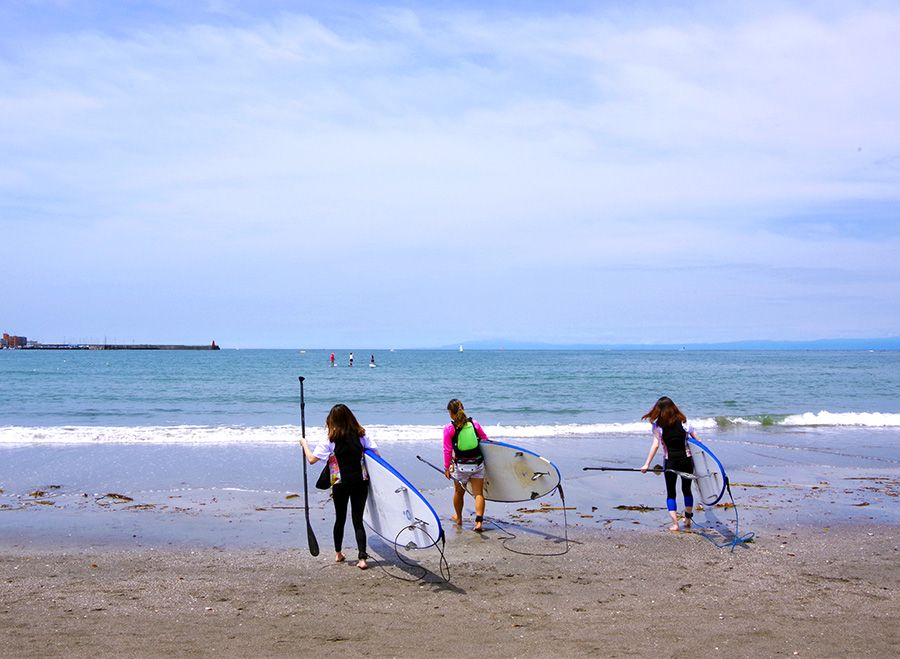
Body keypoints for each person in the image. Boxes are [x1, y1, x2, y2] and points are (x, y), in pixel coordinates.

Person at [299, 403, 376, 569]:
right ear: (351, 418)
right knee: (358, 520)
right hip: (360, 482)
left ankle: (338, 554)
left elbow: (312, 460)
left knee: (340, 518)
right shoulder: (362, 435)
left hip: (340, 484)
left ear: (332, 421)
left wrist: (304, 444)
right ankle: (362, 559)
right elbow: (376, 455)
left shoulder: (330, 439)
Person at [640, 396, 699, 532]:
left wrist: (646, 464)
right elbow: (698, 442)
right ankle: (688, 520)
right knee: (687, 489)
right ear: (673, 407)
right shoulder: (684, 422)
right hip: (686, 461)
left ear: (658, 410)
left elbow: (655, 446)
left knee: (671, 493)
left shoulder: (658, 427)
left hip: (670, 462)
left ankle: (675, 525)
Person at [443, 398, 488, 532]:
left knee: (458, 492)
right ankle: (479, 522)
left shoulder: (449, 428)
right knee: (478, 494)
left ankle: (459, 518)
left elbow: (447, 450)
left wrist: (446, 467)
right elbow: (485, 440)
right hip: (477, 464)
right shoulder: (474, 424)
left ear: (451, 413)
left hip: (461, 466)